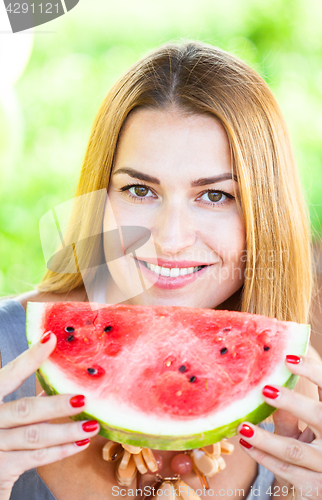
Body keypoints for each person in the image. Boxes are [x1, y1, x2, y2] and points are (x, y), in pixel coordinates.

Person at [0, 40, 321, 500]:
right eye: (139, 190)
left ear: (265, 215)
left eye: (214, 196)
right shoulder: (5, 356)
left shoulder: (298, 395)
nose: (170, 239)